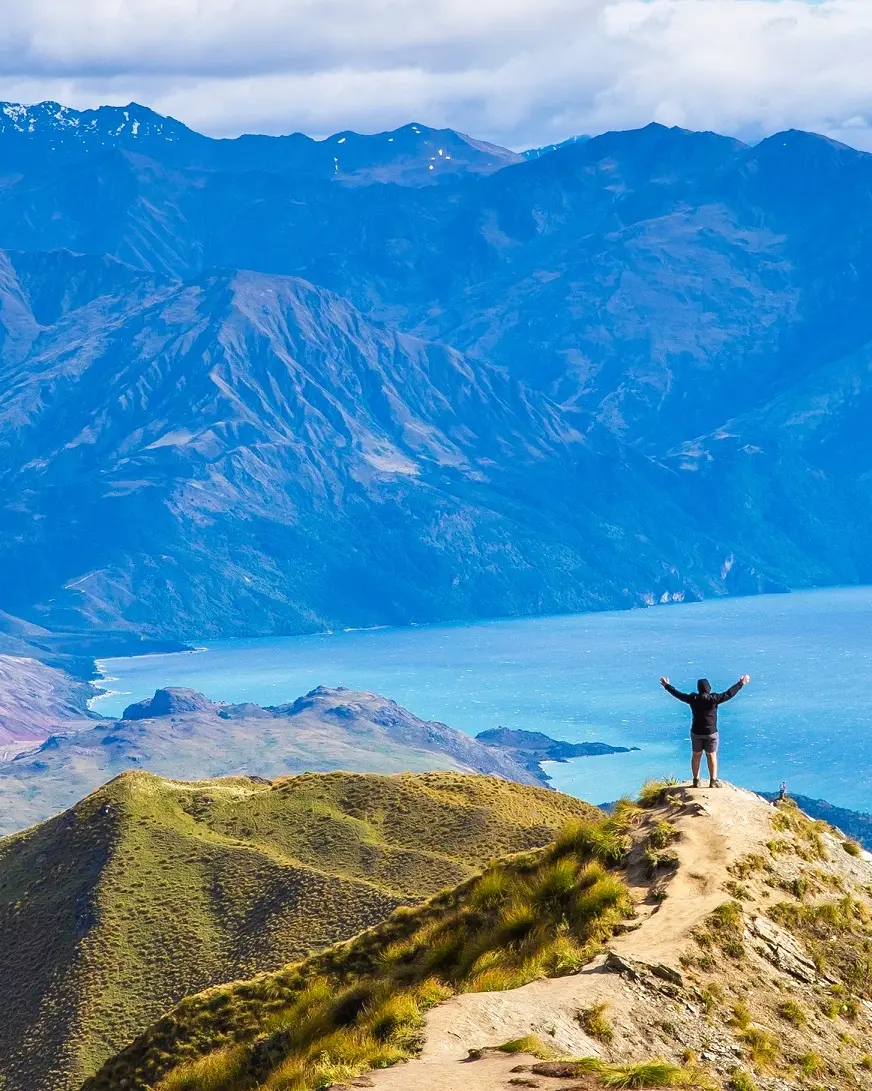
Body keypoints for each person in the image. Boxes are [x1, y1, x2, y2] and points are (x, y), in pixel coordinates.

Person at [659, 674, 751, 788]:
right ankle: (713, 781)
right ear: (709, 688)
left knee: (696, 755)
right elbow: (729, 693)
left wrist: (667, 686)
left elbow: (679, 695)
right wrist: (741, 683)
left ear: (698, 689)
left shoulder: (693, 699)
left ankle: (696, 781)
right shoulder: (714, 699)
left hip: (696, 732)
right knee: (711, 755)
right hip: (711, 732)